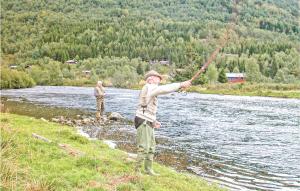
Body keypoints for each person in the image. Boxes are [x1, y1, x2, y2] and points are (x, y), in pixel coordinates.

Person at [134, 70, 191, 176]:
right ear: (150, 79)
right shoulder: (149, 86)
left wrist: (154, 121)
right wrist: (180, 84)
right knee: (144, 147)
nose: (159, 79)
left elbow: (148, 107)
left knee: (151, 147)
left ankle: (148, 169)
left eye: (160, 78)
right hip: (143, 121)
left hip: (148, 120)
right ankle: (137, 171)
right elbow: (164, 89)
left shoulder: (151, 88)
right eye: (157, 77)